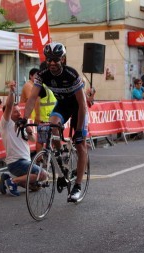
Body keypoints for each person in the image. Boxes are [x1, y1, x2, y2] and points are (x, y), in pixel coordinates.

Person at [22, 42, 88, 201]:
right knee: (52, 126)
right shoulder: (42, 73)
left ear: (63, 59)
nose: (52, 63)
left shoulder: (71, 74)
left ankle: (77, 186)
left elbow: (82, 104)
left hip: (78, 107)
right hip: (63, 105)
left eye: (56, 59)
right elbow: (32, 98)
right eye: (49, 59)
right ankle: (61, 156)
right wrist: (24, 119)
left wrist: (78, 131)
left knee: (80, 144)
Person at [0, 81, 47, 196]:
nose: (19, 114)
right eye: (16, 112)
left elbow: (33, 140)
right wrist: (12, 92)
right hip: (16, 162)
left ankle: (7, 177)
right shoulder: (6, 123)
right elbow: (9, 106)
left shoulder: (21, 123)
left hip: (25, 161)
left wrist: (30, 133)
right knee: (43, 175)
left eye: (19, 111)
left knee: (35, 186)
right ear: (8, 114)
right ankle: (12, 181)